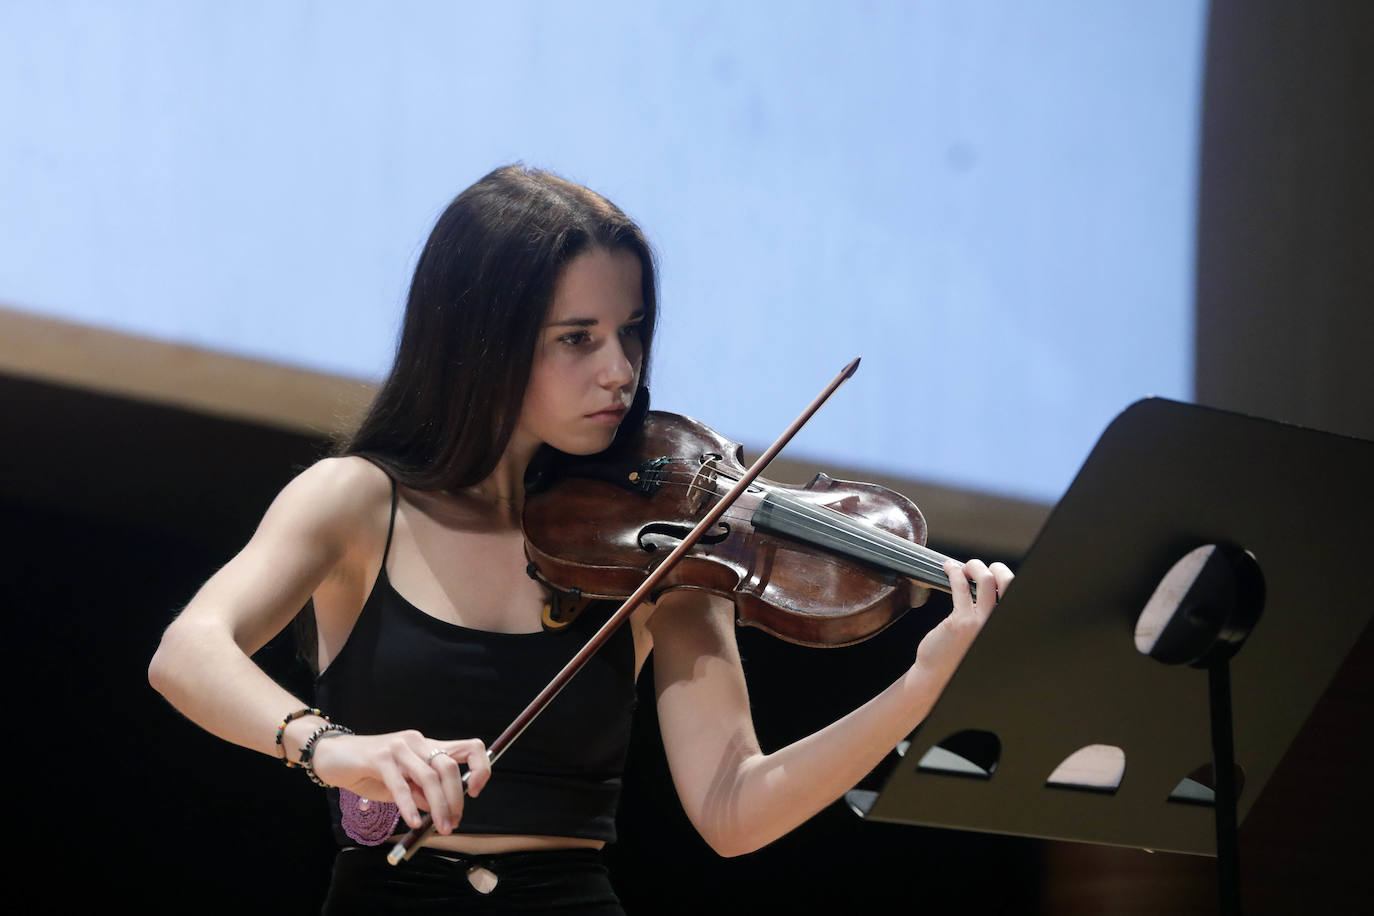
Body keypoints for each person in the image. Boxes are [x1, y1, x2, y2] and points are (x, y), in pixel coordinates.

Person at [148, 164, 1014, 914]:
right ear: (479, 342)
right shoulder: (358, 501)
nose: (621, 370)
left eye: (631, 331)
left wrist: (923, 685)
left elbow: (734, 809)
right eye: (578, 339)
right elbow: (188, 652)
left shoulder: (666, 546)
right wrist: (332, 748)